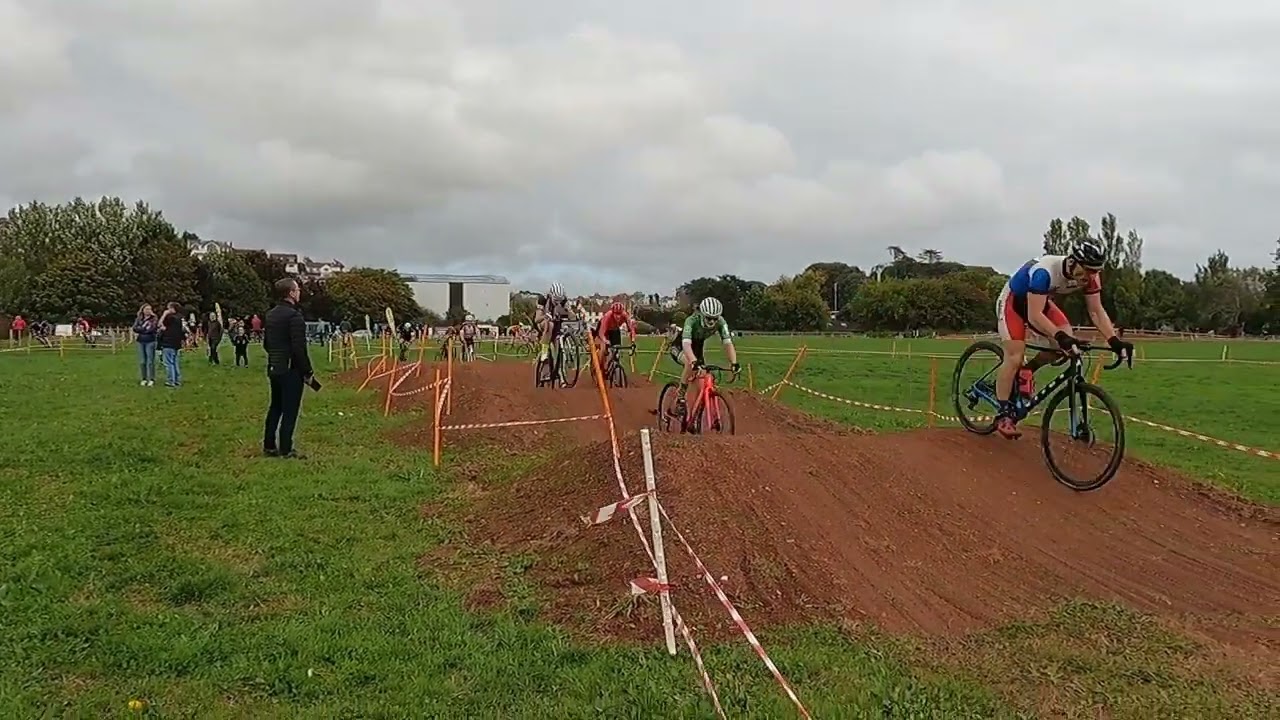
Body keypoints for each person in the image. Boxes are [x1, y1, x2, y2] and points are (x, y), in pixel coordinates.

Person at [994, 239, 1135, 439]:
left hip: (1040, 303)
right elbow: (1034, 315)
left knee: (1065, 347)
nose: (1089, 276)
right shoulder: (1045, 272)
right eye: (1086, 270)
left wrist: (1114, 341)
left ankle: (1027, 371)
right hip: (1014, 304)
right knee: (1015, 356)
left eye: (1095, 271)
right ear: (1072, 261)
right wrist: (1060, 336)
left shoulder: (1092, 277)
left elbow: (1096, 311)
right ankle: (1003, 414)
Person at [263, 278, 315, 458]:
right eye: (298, 289)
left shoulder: (270, 315)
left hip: (274, 367)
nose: (300, 292)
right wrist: (307, 371)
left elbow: (267, 344)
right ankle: (286, 448)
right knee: (290, 410)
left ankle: (269, 445)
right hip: (290, 369)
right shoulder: (294, 317)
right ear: (291, 293)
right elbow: (299, 348)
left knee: (275, 407)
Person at [669, 297, 739, 416]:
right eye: (708, 318)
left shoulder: (721, 322)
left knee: (701, 383)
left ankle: (695, 416)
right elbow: (686, 345)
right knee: (689, 364)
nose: (712, 322)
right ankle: (680, 397)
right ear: (702, 314)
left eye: (715, 318)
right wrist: (693, 361)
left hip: (698, 347)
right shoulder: (691, 320)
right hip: (680, 346)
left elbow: (728, 343)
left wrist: (734, 363)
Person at [595, 301, 635, 367]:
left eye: (620, 314)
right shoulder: (607, 316)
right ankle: (600, 365)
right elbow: (601, 333)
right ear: (613, 313)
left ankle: (615, 365)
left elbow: (631, 329)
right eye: (616, 314)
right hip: (604, 330)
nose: (618, 317)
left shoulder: (625, 315)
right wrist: (605, 341)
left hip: (615, 329)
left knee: (617, 349)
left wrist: (633, 341)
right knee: (603, 349)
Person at [157, 302, 185, 387]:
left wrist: (164, 314)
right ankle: (177, 380)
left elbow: (159, 324)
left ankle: (170, 380)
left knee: (168, 362)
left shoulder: (170, 317)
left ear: (172, 308)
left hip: (168, 342)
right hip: (177, 342)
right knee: (175, 362)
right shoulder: (179, 318)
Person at [133, 303, 160, 386]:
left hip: (150, 340)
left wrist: (142, 329)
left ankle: (151, 378)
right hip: (141, 341)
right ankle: (144, 378)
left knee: (150, 361)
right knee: (142, 361)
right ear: (143, 310)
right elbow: (135, 328)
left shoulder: (154, 319)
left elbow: (152, 329)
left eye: (149, 309)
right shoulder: (139, 319)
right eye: (146, 309)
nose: (148, 311)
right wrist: (143, 329)